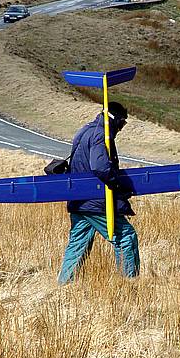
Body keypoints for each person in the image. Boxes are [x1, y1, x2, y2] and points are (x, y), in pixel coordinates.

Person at [57, 101, 139, 284]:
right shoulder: (100, 135)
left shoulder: (85, 130)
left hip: (78, 198)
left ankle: (64, 284)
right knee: (126, 236)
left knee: (78, 243)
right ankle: (130, 284)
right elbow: (100, 168)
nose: (122, 128)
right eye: (122, 123)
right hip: (96, 200)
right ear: (115, 120)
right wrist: (117, 185)